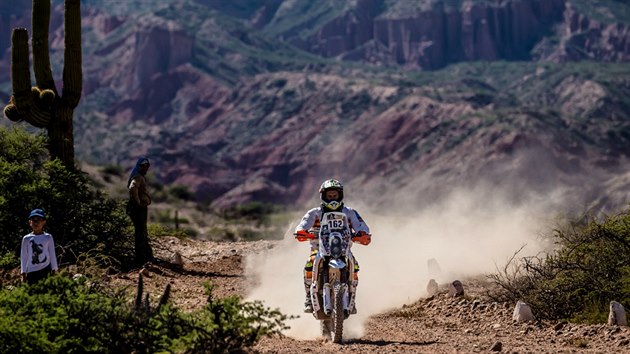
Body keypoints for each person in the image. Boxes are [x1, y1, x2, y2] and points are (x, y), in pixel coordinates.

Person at [294, 179, 371, 313]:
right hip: (319, 248)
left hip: (343, 248)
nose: (332, 198)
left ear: (340, 195)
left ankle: (352, 296)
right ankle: (308, 297)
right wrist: (302, 231)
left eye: (334, 195)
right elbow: (303, 224)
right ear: (323, 196)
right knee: (310, 263)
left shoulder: (349, 212)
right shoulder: (315, 213)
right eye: (329, 196)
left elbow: (361, 225)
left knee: (355, 265)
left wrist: (362, 233)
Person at [127, 157, 154, 264]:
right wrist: (138, 202)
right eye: (144, 166)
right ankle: (142, 259)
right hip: (138, 208)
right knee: (141, 232)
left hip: (138, 207)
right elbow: (132, 188)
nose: (146, 168)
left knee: (141, 232)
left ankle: (143, 257)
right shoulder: (138, 176)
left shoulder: (138, 175)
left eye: (147, 166)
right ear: (140, 167)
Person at [20, 209, 58, 284]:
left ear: (43, 222)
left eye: (38, 220)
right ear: (30, 222)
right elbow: (24, 257)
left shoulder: (48, 237)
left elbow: (52, 255)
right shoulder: (26, 238)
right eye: (33, 220)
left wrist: (54, 270)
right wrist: (23, 273)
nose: (36, 223)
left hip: (46, 269)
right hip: (31, 271)